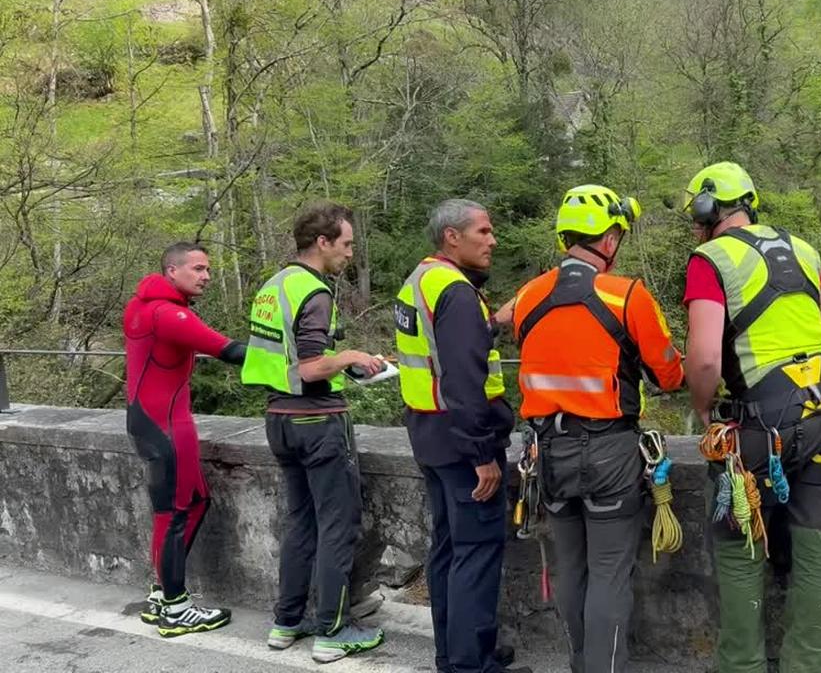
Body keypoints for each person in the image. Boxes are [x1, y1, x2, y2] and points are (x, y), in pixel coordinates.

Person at [511, 185, 684, 673]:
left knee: (572, 568)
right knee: (609, 573)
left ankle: (578, 664)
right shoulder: (626, 295)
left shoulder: (528, 295)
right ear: (609, 239)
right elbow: (668, 371)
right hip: (607, 448)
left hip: (548, 450)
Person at [680, 163, 821, 673]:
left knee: (738, 546)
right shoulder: (803, 247)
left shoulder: (710, 259)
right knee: (814, 535)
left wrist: (704, 406)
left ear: (709, 209)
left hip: (759, 423)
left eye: (696, 214)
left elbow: (706, 357)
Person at [241, 202, 387, 663]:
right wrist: (352, 357)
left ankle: (287, 622)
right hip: (318, 421)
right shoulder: (315, 291)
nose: (350, 254)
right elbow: (310, 366)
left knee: (300, 523)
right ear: (322, 243)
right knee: (337, 526)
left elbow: (281, 359)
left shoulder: (274, 284)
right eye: (346, 244)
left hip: (278, 419)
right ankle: (331, 631)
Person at [394, 199, 524, 673]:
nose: (492, 241)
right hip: (461, 438)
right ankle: (472, 663)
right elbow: (464, 381)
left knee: (449, 548)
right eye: (483, 232)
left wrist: (489, 324)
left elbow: (439, 351)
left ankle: (455, 654)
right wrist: (482, 455)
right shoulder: (456, 292)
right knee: (476, 552)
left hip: (428, 431)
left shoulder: (422, 279)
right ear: (453, 236)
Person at [124, 242, 247, 637]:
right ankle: (176, 607)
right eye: (198, 268)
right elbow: (229, 350)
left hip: (147, 420)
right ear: (172, 271)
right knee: (179, 511)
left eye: (207, 269)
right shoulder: (169, 314)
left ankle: (161, 593)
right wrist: (300, 357)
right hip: (166, 425)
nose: (206, 276)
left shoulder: (141, 305)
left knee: (184, 506)